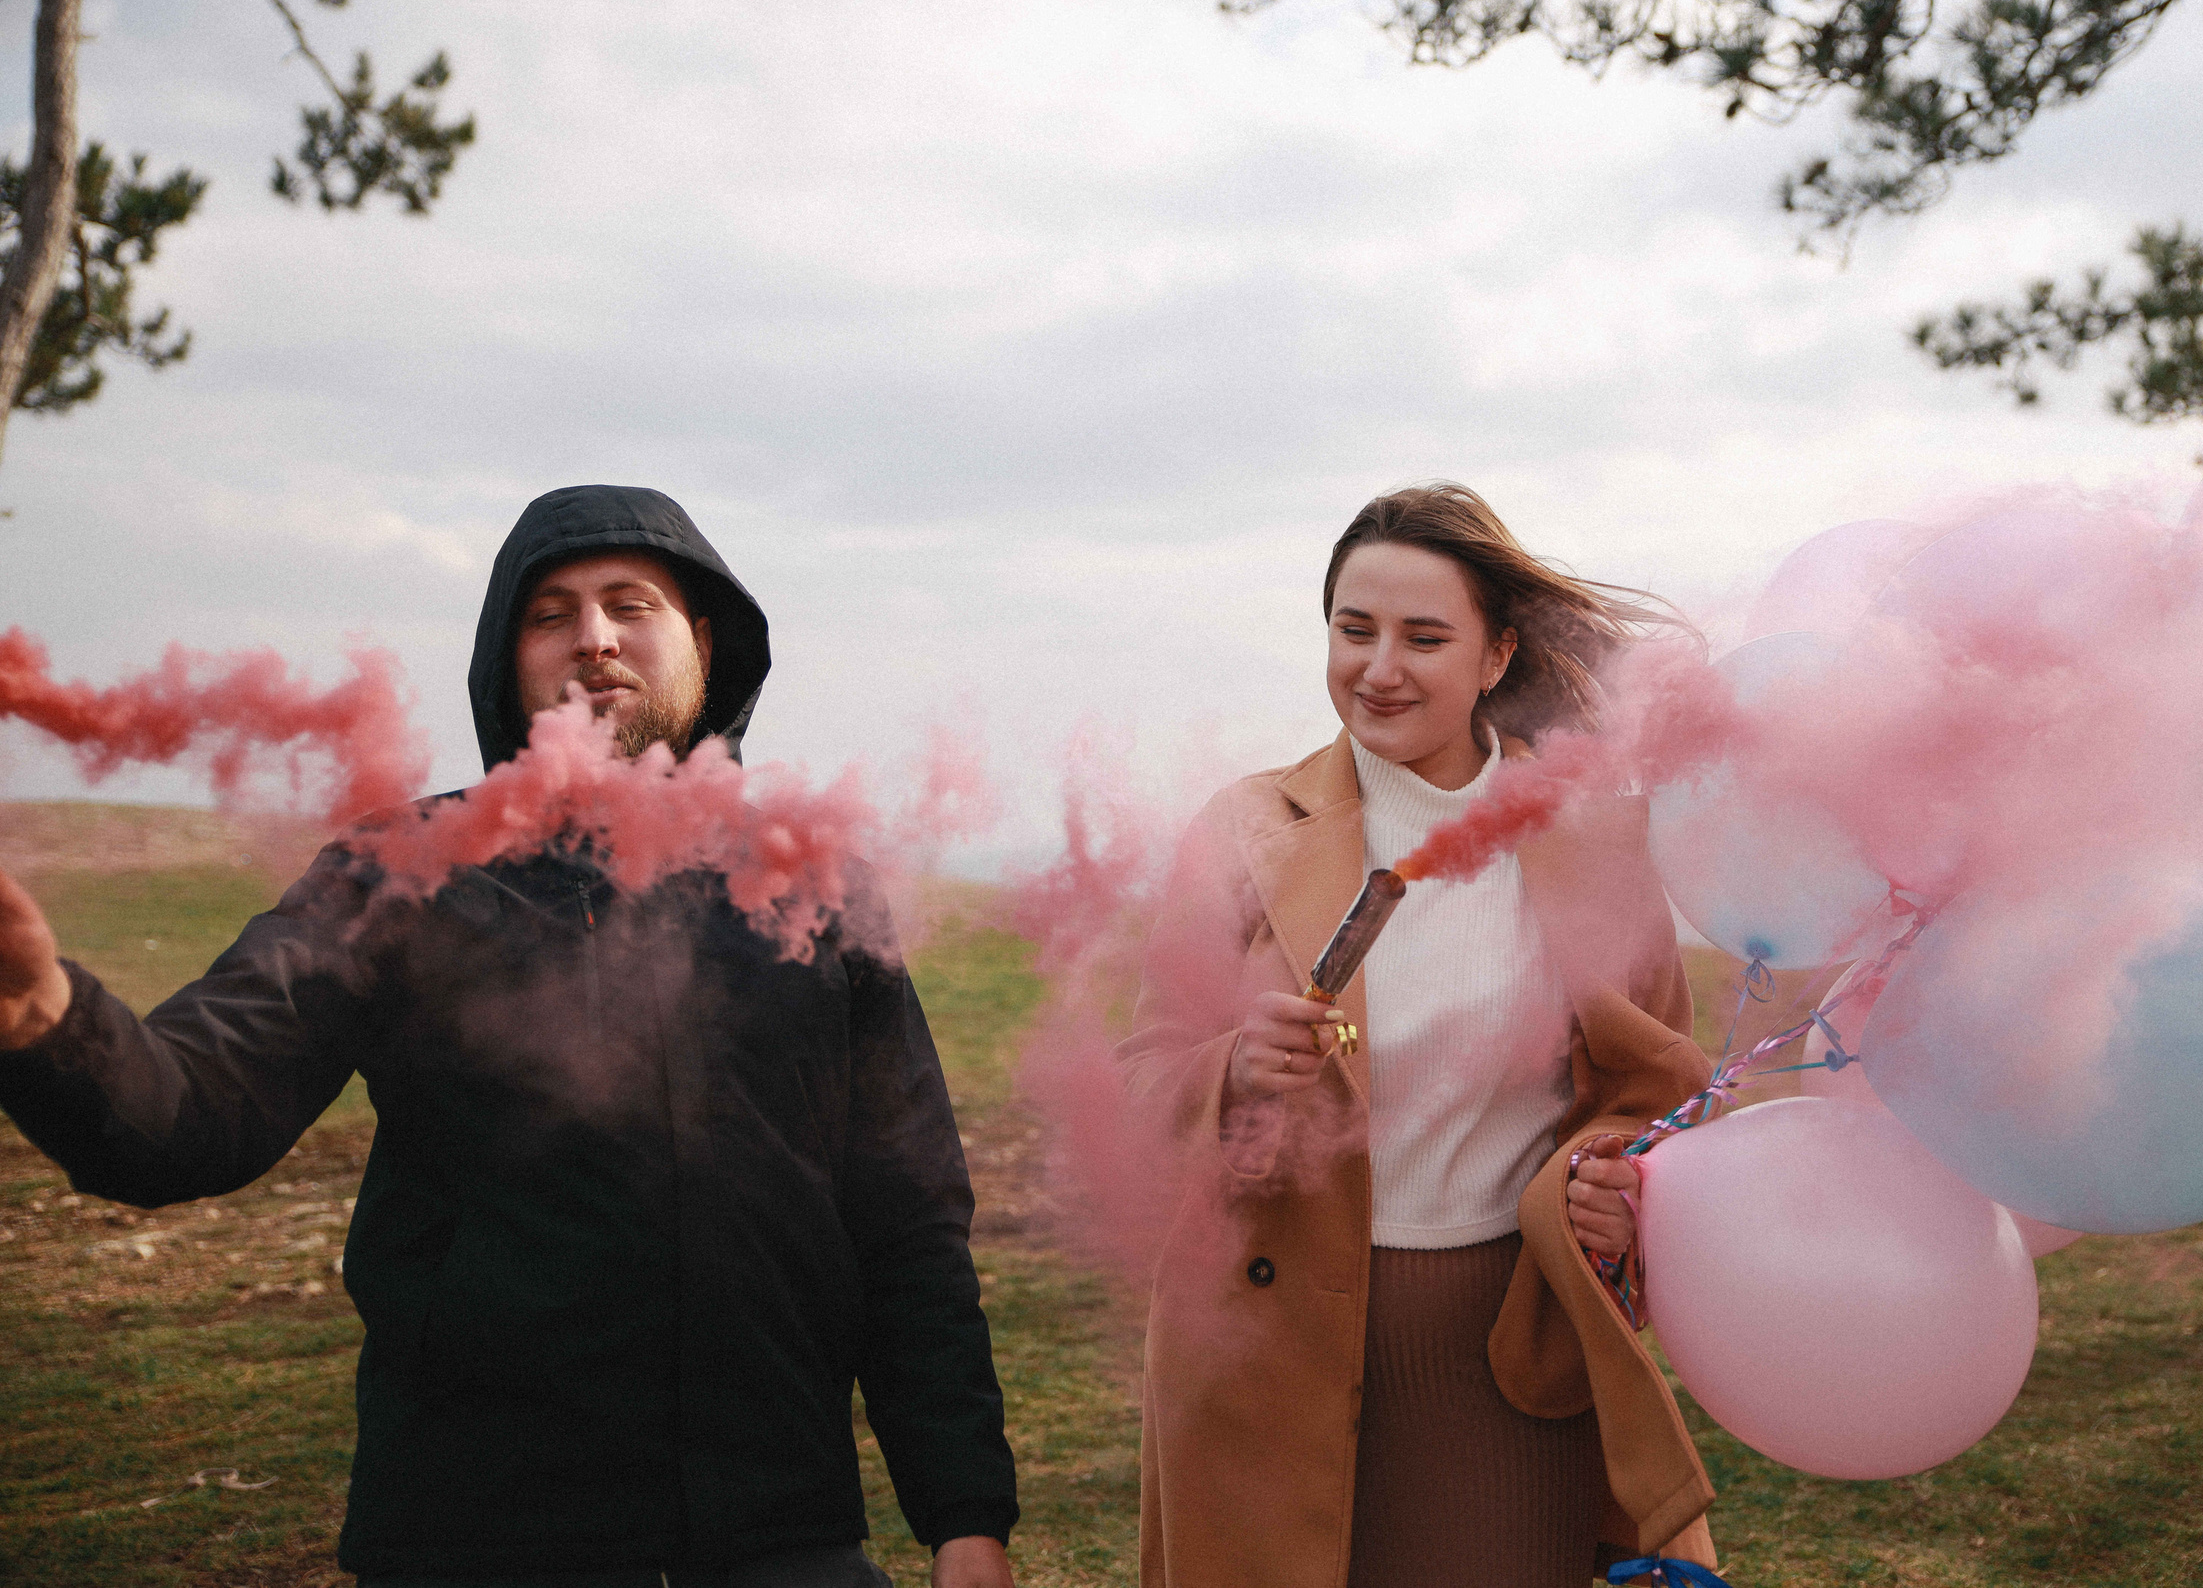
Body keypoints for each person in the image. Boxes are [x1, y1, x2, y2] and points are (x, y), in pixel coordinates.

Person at [0, 486, 1018, 1588]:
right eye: (550, 613)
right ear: (505, 659)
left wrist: (964, 1513)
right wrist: (43, 1015)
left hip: (781, 1531)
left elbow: (908, 1221)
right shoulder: (405, 870)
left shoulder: (807, 884)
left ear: (705, 639)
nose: (594, 636)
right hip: (483, 1536)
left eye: (631, 603)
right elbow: (192, 1108)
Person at [1118, 483, 1722, 1587]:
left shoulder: (1594, 841)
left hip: (1508, 1352)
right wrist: (1233, 1070)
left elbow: (1653, 1093)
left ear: (1496, 656)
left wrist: (1611, 1181)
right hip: (1262, 1354)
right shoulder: (1245, 830)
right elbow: (1139, 1080)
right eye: (1353, 630)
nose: (1379, 668)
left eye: (1423, 638)